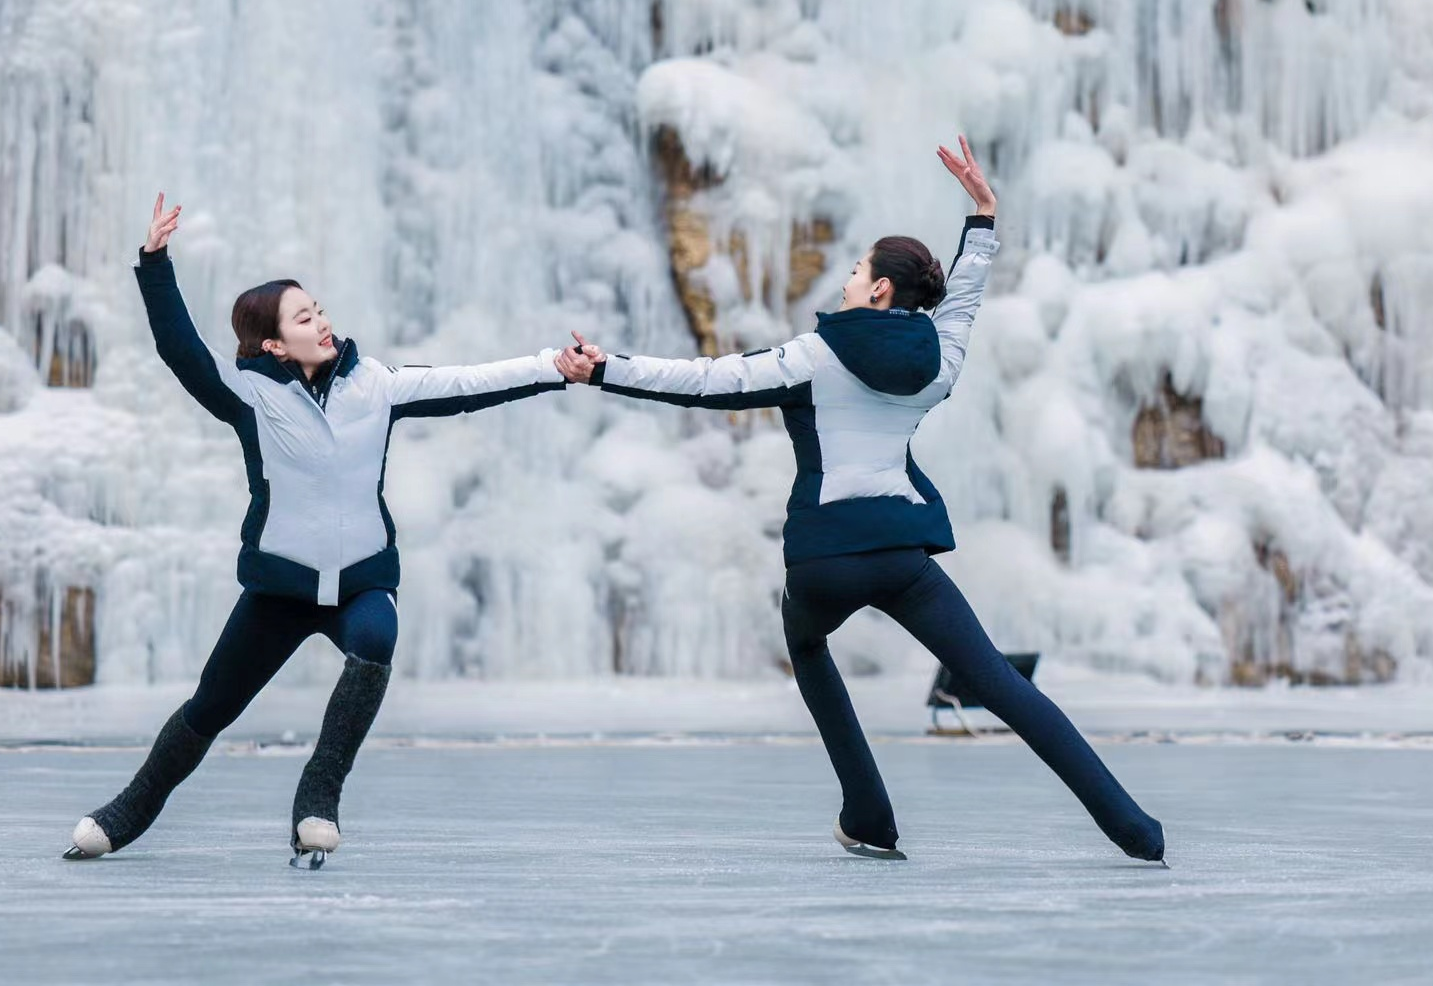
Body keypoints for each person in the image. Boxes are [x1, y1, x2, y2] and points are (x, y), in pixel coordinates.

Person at [556, 138, 1166, 863]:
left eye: (855, 273)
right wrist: (983, 217)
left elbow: (706, 380)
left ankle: (870, 815)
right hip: (903, 558)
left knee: (808, 645)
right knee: (997, 682)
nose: (845, 283)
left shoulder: (810, 359)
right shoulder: (938, 363)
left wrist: (604, 371)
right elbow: (963, 300)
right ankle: (1136, 830)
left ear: (879, 290)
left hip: (824, 563)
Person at [65, 194, 568, 867]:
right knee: (212, 706)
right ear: (273, 342)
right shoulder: (250, 395)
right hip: (279, 591)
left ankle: (318, 794)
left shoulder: (376, 385)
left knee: (376, 641)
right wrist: (155, 263)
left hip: (362, 580)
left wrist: (550, 367)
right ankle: (127, 812)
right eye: (304, 317)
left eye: (320, 309)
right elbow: (180, 349)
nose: (322, 321)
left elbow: (468, 382)